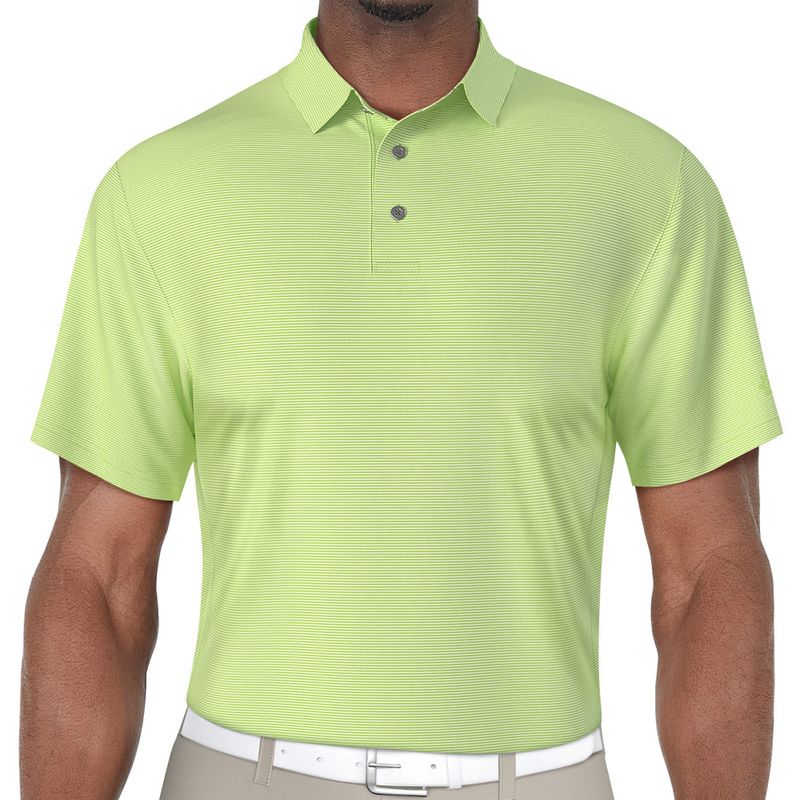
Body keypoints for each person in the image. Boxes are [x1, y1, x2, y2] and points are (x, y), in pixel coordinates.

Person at [21, 1, 783, 798]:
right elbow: (99, 574)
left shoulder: (649, 186)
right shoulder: (158, 194)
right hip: (239, 776)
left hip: (542, 779)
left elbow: (708, 567)